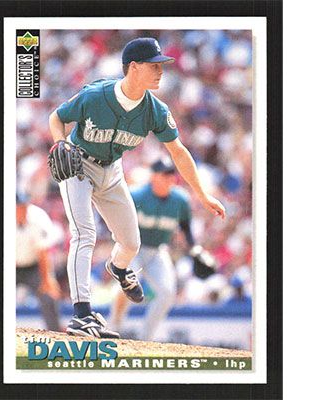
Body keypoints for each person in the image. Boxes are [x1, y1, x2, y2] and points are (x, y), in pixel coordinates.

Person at [48, 37, 226, 339]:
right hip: (79, 165)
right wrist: (59, 143)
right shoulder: (95, 95)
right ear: (134, 67)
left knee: (131, 243)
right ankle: (81, 314)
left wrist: (201, 193)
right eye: (154, 66)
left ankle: (118, 268)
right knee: (84, 233)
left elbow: (178, 152)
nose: (160, 71)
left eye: (161, 66)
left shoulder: (155, 110)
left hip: (112, 171)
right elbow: (57, 117)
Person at [109, 159, 215, 341]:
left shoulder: (180, 200)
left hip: (157, 251)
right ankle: (114, 327)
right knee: (125, 287)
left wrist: (195, 249)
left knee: (167, 293)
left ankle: (146, 339)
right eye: (164, 174)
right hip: (132, 250)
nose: (169, 178)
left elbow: (185, 227)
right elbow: (116, 220)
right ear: (153, 176)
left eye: (171, 174)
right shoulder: (136, 195)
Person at [16, 193, 61, 331]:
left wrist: (48, 279)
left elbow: (43, 252)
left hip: (34, 266)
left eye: (24, 206)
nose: (22, 209)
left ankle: (54, 333)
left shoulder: (37, 217)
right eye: (18, 207)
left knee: (48, 295)